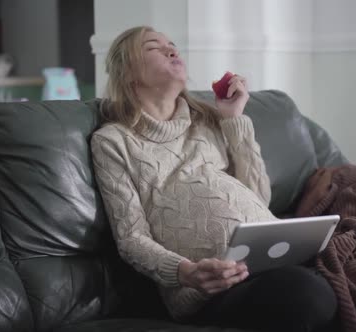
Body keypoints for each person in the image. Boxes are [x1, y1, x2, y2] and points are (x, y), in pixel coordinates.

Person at [91, 26, 337, 332]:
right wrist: (187, 273)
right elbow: (131, 238)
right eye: (155, 47)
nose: (172, 50)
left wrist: (234, 119)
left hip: (274, 257)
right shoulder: (113, 142)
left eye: (173, 45)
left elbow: (259, 198)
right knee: (309, 295)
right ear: (127, 72)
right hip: (209, 290)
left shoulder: (207, 122)